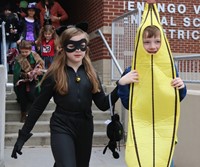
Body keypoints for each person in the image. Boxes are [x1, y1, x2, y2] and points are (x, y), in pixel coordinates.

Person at [11, 24, 119, 167]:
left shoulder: (91, 74)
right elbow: (38, 107)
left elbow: (103, 104)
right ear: (62, 47)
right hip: (62, 125)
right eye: (72, 45)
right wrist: (22, 136)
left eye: (82, 45)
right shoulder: (54, 74)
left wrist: (121, 87)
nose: (78, 50)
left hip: (85, 126)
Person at [118, 25, 187, 167]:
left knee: (165, 162)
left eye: (157, 41)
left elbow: (176, 99)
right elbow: (128, 104)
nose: (152, 46)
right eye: (147, 42)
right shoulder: (132, 70)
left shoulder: (170, 68)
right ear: (139, 43)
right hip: (141, 130)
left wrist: (181, 87)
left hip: (164, 131)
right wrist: (122, 83)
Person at [13, 40, 44, 123]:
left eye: (26, 52)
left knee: (32, 94)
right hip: (22, 80)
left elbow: (41, 65)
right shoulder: (18, 59)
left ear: (30, 50)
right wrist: (26, 75)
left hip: (34, 80)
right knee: (22, 95)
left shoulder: (35, 56)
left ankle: (34, 113)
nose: (24, 53)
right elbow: (17, 72)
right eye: (22, 52)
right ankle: (23, 114)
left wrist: (37, 71)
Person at [0, 3, 20, 72]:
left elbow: (19, 28)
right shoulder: (1, 18)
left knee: (14, 55)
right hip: (4, 39)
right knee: (4, 55)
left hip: (14, 39)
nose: (7, 12)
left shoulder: (15, 18)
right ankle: (5, 71)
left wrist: (15, 31)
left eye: (9, 10)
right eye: (6, 10)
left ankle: (14, 71)